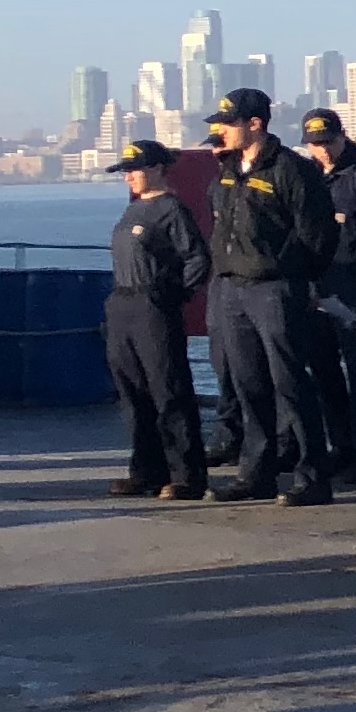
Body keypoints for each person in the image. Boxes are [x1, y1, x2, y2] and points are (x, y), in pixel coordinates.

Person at [201, 89, 337, 505]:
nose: (221, 130)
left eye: (230, 122)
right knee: (248, 385)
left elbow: (317, 235)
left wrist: (293, 275)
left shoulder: (291, 170)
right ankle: (256, 473)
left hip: (276, 289)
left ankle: (313, 476)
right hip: (232, 288)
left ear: (255, 124)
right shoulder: (227, 170)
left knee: (290, 383)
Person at [100, 138, 211, 499]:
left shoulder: (171, 210)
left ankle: (186, 473)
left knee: (168, 389)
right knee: (133, 393)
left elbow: (197, 258)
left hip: (151, 305)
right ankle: (146, 468)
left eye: (134, 170)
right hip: (123, 304)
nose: (128, 177)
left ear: (156, 170)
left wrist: (173, 295)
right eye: (126, 171)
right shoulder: (132, 211)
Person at [298, 109, 356, 475]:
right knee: (324, 370)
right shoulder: (308, 177)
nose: (324, 151)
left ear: (342, 137)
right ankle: (341, 443)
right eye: (316, 145)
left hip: (352, 285)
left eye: (328, 142)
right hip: (317, 286)